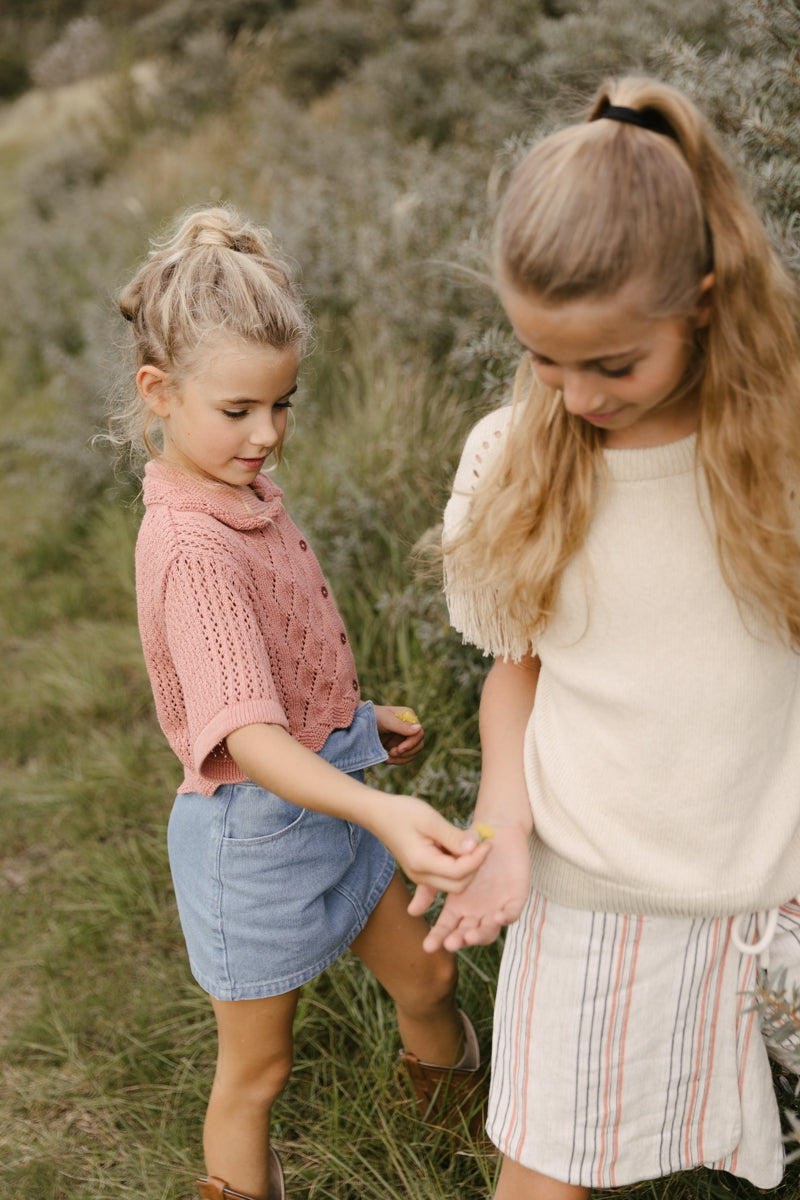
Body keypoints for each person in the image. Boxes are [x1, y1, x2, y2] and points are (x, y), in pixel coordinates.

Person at [409, 76, 800, 1199]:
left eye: (610, 364)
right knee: (543, 1179)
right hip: (594, 903)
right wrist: (502, 826)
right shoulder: (516, 463)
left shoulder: (774, 453)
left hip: (770, 888)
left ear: (702, 301)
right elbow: (513, 674)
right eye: (540, 357)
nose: (573, 394)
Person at [111, 205, 491, 1200]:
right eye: (237, 411)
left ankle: (454, 1152)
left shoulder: (240, 493)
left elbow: (283, 662)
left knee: (427, 979)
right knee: (256, 1073)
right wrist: (376, 804)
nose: (267, 434)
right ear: (158, 393)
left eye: (282, 406)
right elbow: (242, 730)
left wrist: (363, 722)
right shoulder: (191, 549)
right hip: (253, 847)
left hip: (330, 804)